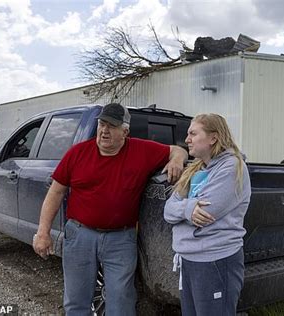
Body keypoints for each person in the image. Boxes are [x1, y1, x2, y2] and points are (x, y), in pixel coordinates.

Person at [32, 103, 188, 316]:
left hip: (121, 239)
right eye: (102, 124)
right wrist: (43, 232)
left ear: (125, 132)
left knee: (121, 301)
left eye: (112, 126)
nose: (104, 130)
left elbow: (177, 150)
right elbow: (56, 192)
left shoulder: (142, 150)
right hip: (79, 236)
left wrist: (177, 160)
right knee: (76, 301)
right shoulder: (77, 153)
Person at [164, 113, 251, 316]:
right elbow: (168, 210)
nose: (187, 140)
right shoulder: (195, 169)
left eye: (193, 133)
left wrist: (184, 209)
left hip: (216, 262)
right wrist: (188, 209)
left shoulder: (232, 168)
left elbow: (206, 212)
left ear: (213, 138)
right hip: (189, 259)